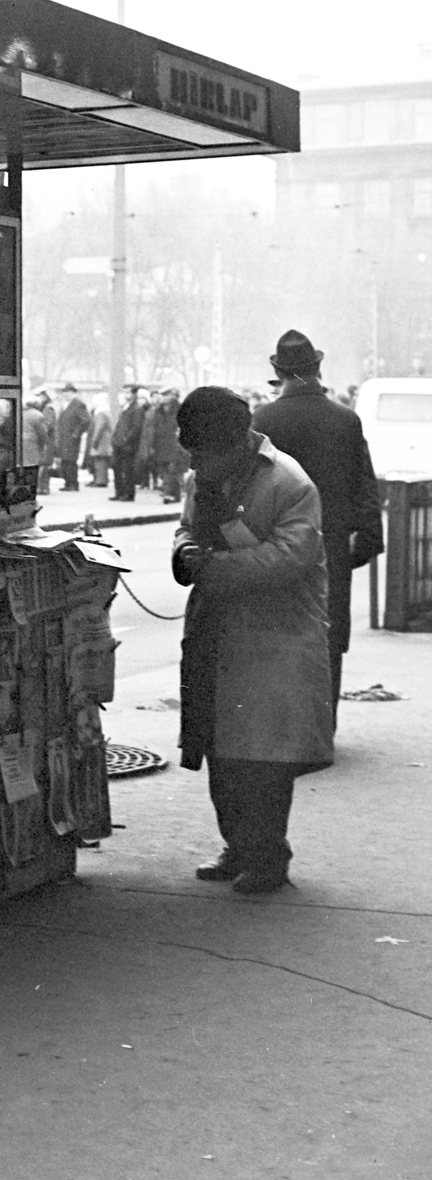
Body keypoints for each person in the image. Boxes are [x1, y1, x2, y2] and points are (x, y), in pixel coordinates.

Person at [172, 386, 333, 894]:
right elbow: (184, 530)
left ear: (238, 443)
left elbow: (289, 558)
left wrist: (215, 564)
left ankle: (268, 857)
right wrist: (185, 554)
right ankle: (237, 847)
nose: (195, 464)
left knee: (263, 757)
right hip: (215, 631)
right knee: (220, 751)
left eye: (203, 454)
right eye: (191, 454)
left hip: (273, 639)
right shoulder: (200, 478)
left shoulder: (289, 483)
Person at [252, 330, 383, 722]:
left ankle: (283, 723)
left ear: (280, 373)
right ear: (317, 369)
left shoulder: (264, 420)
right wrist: (366, 541)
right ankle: (324, 724)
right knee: (328, 636)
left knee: (279, 634)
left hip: (276, 548)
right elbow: (365, 486)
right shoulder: (345, 420)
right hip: (331, 547)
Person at [110, 385, 145, 501]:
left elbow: (136, 427)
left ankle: (128, 493)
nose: (126, 395)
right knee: (117, 468)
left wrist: (126, 438)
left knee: (127, 469)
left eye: (128, 392)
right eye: (124, 392)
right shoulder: (125, 407)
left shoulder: (137, 408)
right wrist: (115, 438)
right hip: (119, 443)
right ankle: (119, 492)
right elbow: (119, 425)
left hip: (128, 444)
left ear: (134, 394)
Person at [54, 383, 89, 491]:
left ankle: (73, 484)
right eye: (64, 392)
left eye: (68, 392)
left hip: (71, 439)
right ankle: (68, 483)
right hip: (64, 438)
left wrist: (76, 434)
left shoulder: (78, 404)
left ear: (74, 393)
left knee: (71, 461)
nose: (65, 394)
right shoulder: (65, 404)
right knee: (65, 461)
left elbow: (85, 420)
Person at [86, 393, 113, 487]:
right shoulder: (106, 411)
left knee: (100, 461)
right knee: (101, 461)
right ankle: (100, 479)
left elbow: (98, 428)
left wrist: (94, 441)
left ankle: (100, 481)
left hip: (101, 441)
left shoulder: (101, 413)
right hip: (105, 440)